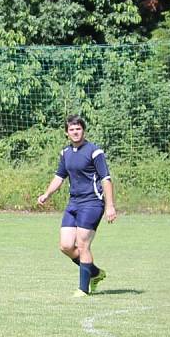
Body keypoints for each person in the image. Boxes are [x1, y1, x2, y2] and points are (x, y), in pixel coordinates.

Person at [37, 114, 117, 296]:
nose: (75, 132)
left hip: (92, 203)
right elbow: (59, 177)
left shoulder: (95, 152)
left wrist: (110, 206)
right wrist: (47, 194)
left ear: (83, 130)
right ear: (66, 133)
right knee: (65, 246)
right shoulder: (65, 153)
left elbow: (106, 179)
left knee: (82, 245)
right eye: (71, 129)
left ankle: (83, 289)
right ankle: (95, 273)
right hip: (74, 203)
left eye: (78, 129)